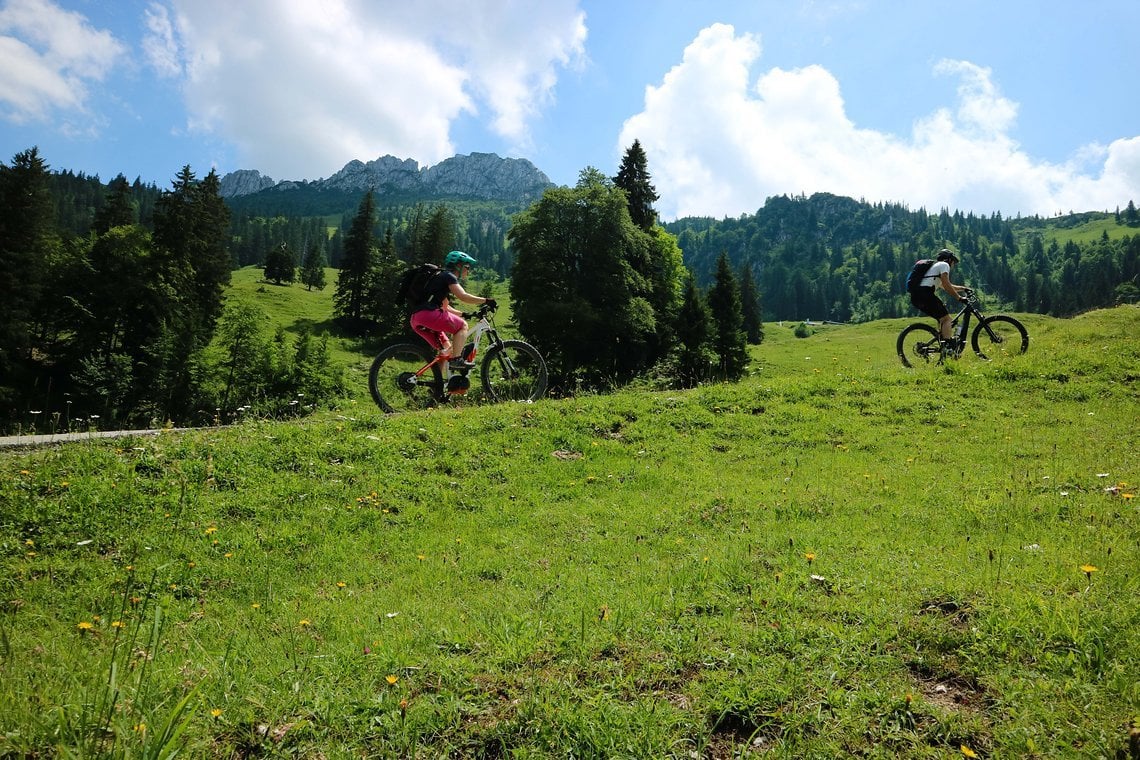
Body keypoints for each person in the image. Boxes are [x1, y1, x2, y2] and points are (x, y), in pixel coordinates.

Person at [409, 250, 495, 370]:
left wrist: (464, 314)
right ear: (459, 265)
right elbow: (463, 296)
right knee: (462, 327)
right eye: (467, 266)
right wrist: (487, 300)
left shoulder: (438, 278)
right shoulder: (448, 276)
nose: (468, 270)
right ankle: (457, 360)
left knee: (447, 350)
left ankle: (438, 386)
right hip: (429, 315)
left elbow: (445, 307)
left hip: (417, 318)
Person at [911, 248, 967, 351]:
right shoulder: (944, 265)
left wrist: (963, 289)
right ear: (949, 260)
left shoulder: (935, 268)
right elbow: (946, 284)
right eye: (953, 261)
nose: (953, 264)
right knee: (947, 319)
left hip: (917, 296)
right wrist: (959, 298)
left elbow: (946, 286)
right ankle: (947, 349)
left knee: (943, 319)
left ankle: (943, 344)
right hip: (925, 294)